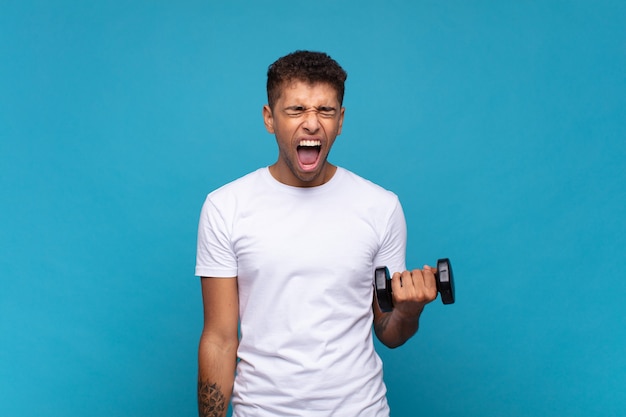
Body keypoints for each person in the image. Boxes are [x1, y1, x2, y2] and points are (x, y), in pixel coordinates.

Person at [195, 50, 438, 417]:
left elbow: (389, 331)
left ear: (340, 121)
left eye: (325, 111)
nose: (312, 124)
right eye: (296, 110)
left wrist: (410, 309)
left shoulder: (380, 206)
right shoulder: (225, 206)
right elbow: (219, 339)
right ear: (269, 119)